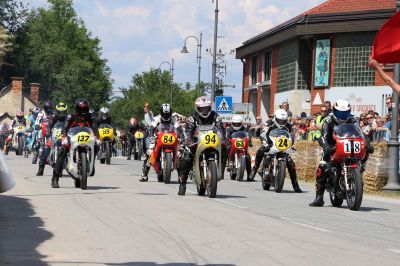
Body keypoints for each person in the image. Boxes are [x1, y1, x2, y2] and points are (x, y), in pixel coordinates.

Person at [309, 99, 374, 207]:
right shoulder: (328, 121)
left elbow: (360, 134)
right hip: (333, 147)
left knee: (363, 158)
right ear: (334, 111)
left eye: (345, 113)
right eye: (340, 113)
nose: (342, 116)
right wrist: (326, 147)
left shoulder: (353, 119)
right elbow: (324, 136)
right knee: (322, 166)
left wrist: (367, 144)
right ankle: (319, 198)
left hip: (348, 146)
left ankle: (354, 180)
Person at [177, 96, 227, 195]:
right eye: (201, 109)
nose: (204, 111)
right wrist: (189, 141)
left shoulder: (216, 116)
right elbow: (188, 131)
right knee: (186, 157)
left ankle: (220, 172)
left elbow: (222, 129)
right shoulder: (192, 118)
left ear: (210, 108)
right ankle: (182, 183)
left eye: (206, 108)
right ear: (197, 108)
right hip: (196, 143)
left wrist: (224, 139)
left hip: (212, 142)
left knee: (225, 149)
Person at [249, 109, 302, 193]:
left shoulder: (288, 126)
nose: (281, 122)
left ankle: (296, 186)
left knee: (291, 164)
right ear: (275, 118)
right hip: (271, 143)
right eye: (279, 120)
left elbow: (291, 136)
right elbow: (263, 133)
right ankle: (254, 169)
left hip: (282, 146)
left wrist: (291, 142)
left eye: (283, 121)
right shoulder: (269, 123)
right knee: (261, 150)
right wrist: (265, 142)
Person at [51, 99, 98, 188]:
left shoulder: (90, 117)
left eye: (84, 109)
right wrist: (64, 137)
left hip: (86, 137)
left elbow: (94, 127)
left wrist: (96, 136)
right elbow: (65, 127)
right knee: (62, 151)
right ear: (76, 109)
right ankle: (55, 178)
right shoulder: (70, 116)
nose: (83, 112)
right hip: (72, 137)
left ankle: (92, 164)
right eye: (81, 109)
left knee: (96, 146)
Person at [140, 103, 176, 182]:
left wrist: (180, 136)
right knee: (149, 152)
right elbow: (152, 128)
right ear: (161, 112)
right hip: (158, 137)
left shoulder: (173, 119)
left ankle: (182, 175)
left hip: (171, 138)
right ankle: (144, 174)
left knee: (181, 152)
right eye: (164, 113)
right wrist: (152, 136)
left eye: (168, 113)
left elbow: (178, 128)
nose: (166, 115)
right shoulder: (157, 118)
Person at [36, 103, 68, 176]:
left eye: (63, 112)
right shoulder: (54, 116)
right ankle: (41, 169)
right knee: (46, 149)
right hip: (54, 134)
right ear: (57, 111)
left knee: (69, 148)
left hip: (64, 135)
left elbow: (71, 126)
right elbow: (49, 125)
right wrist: (48, 132)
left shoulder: (68, 117)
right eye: (60, 112)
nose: (61, 114)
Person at [226, 115, 252, 181]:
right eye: (235, 124)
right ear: (232, 123)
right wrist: (228, 142)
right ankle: (229, 163)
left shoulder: (244, 128)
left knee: (248, 157)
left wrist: (249, 142)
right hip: (233, 144)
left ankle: (249, 175)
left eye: (238, 124)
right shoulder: (230, 129)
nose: (237, 125)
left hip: (242, 144)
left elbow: (247, 136)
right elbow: (228, 137)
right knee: (226, 151)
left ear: (241, 123)